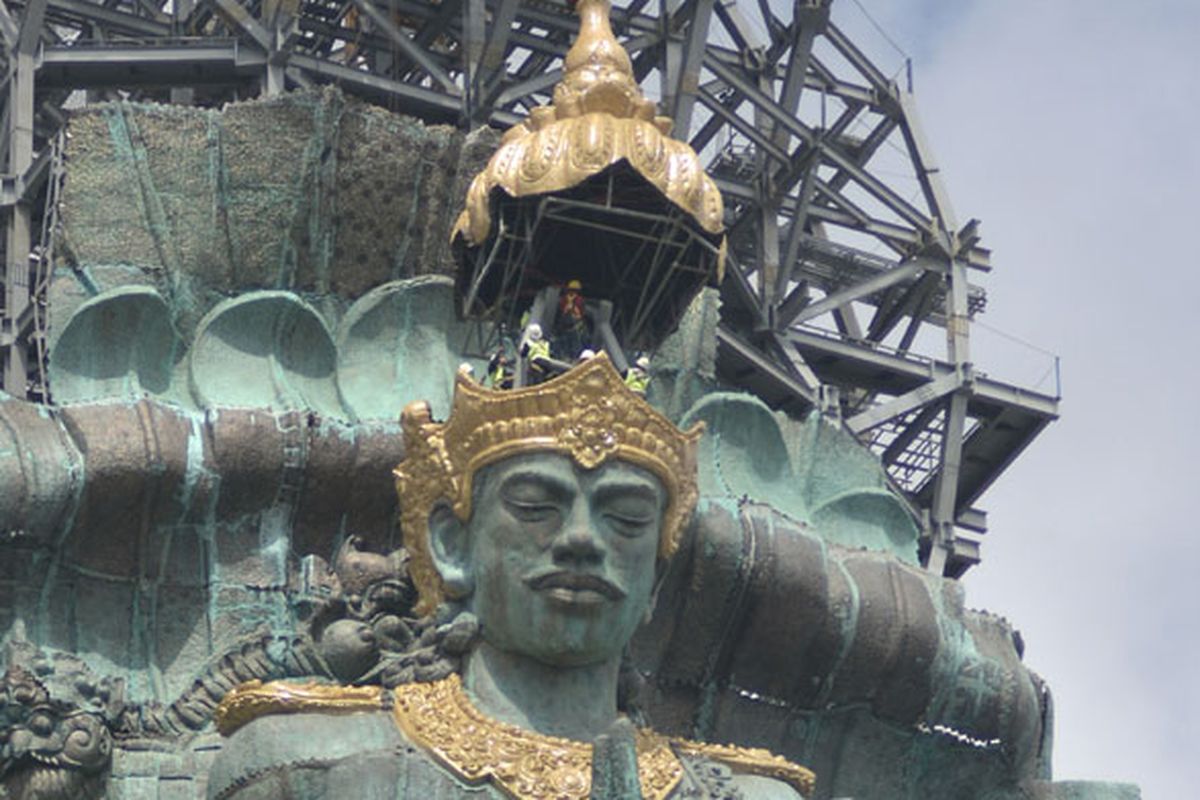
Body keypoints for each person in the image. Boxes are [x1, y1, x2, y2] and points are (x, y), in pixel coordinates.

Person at [208, 356, 813, 799]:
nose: (582, 538)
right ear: (451, 546)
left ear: (655, 579)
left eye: (626, 519)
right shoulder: (302, 765)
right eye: (535, 507)